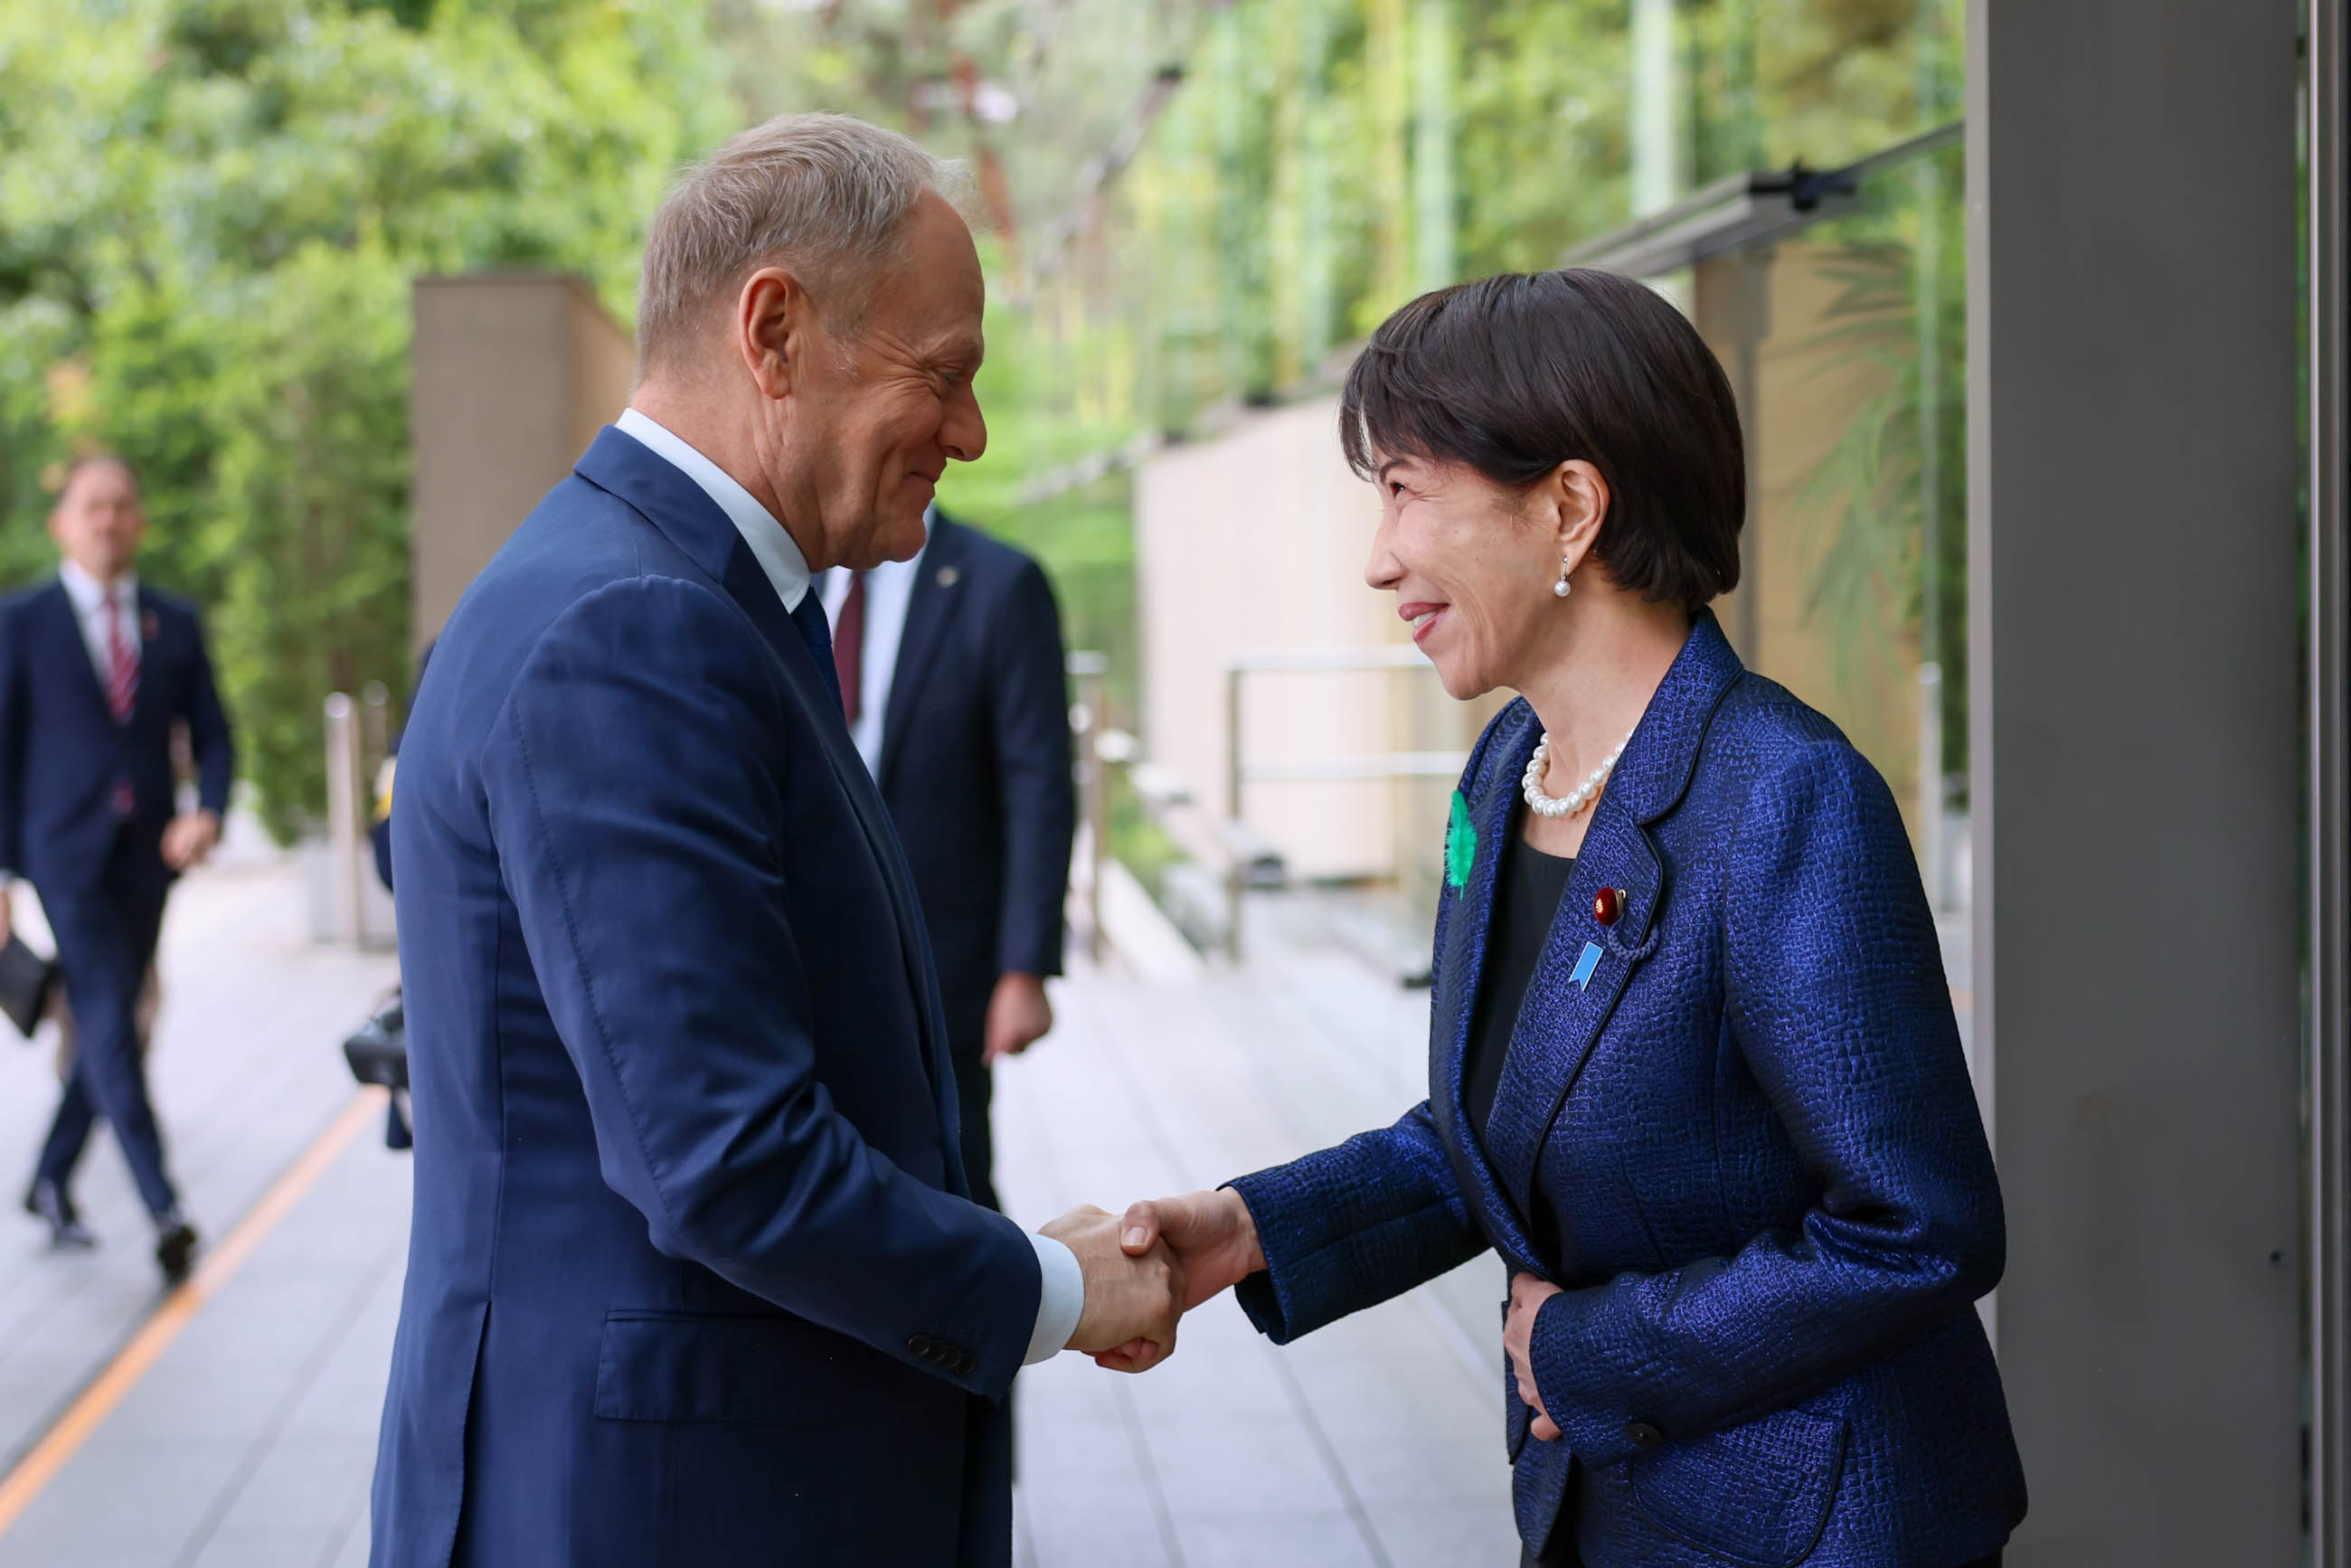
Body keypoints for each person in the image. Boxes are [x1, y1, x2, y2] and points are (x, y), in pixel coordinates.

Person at [1113, 269, 2027, 1566]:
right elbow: (1506, 1131)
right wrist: (1250, 1230)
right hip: (1616, 1504)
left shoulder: (1785, 797)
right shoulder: (1510, 769)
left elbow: (1917, 1227)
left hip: (1809, 1524)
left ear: (1569, 508)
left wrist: (1585, 1350)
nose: (1378, 558)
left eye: (1405, 490)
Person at [368, 114, 1181, 1568]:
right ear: (774, 332)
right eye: (943, 374)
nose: (969, 432)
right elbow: (728, 1157)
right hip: (664, 1508)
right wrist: (1049, 1289)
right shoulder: (636, 627)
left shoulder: (665, 594)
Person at [0, 454, 231, 1282]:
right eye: (92, 506)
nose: (107, 520)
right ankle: (164, 1206)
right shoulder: (21, 622)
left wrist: (208, 810)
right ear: (62, 522)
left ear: (140, 520)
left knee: (109, 1021)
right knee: (109, 1012)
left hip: (148, 859)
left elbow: (214, 734)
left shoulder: (174, 621)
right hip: (61, 855)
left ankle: (50, 1179)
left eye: (121, 505)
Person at [820, 505, 1075, 1209]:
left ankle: (998, 1285)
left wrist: (1024, 968)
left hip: (942, 959)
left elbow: (1039, 785)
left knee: (951, 1179)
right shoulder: (803, 576)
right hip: (813, 951)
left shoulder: (1000, 582)